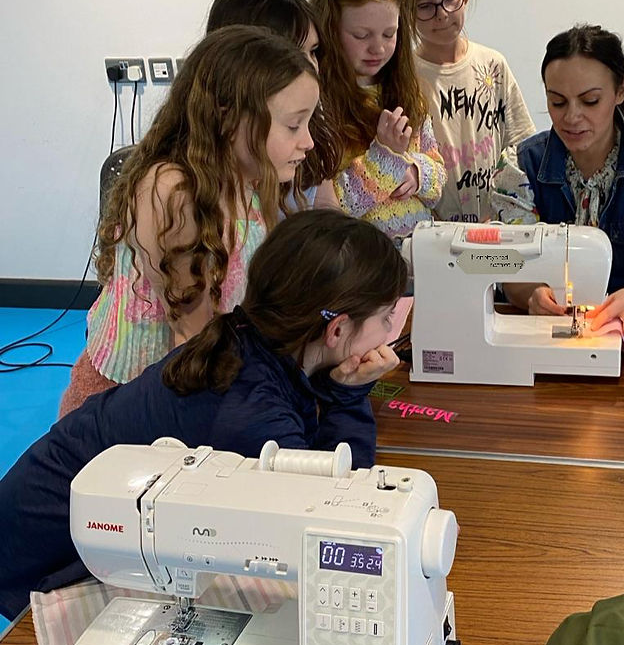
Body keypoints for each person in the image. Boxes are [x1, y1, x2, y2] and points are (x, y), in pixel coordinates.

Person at [0, 210, 406, 620]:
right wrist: (349, 396)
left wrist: (337, 390)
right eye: (386, 318)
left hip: (52, 502)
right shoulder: (254, 416)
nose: (391, 331)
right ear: (335, 331)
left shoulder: (246, 339)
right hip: (48, 549)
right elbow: (342, 513)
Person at [59, 26, 321, 417]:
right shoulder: (173, 192)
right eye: (293, 125)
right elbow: (191, 337)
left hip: (197, 374)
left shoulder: (248, 182)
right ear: (230, 119)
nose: (309, 141)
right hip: (129, 402)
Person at [491, 25, 624, 345]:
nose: (572, 117)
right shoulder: (519, 169)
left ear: (621, 91)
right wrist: (531, 293)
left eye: (590, 101)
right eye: (558, 102)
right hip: (547, 340)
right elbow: (510, 263)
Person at [309, 0, 447, 240]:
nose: (379, 48)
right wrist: (385, 158)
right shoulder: (317, 104)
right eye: (361, 35)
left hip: (419, 256)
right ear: (329, 31)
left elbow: (438, 176)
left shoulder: (408, 93)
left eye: (390, 34)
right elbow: (333, 205)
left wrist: (416, 173)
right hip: (363, 263)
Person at [398, 0, 535, 223]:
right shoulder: (404, 75)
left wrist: (506, 206)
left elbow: (522, 147)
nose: (442, 14)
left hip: (497, 225)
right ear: (406, 12)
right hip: (432, 231)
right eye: (425, 6)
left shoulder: (493, 65)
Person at [205, 0, 341, 197]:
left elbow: (326, 206)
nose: (311, 68)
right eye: (295, 53)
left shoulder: (312, 124)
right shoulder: (182, 184)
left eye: (313, 51)